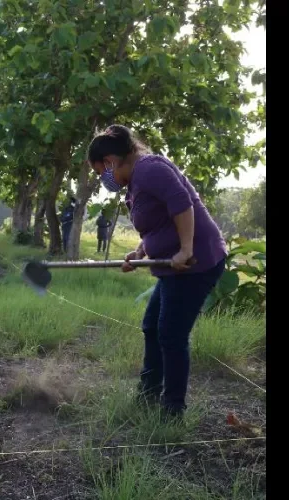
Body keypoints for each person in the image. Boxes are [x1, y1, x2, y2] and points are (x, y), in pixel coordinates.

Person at [87, 124, 227, 419]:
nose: (104, 179)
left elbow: (182, 205)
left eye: (101, 172)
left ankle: (172, 408)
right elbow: (157, 224)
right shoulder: (136, 182)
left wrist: (186, 249)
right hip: (171, 267)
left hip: (195, 263)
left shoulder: (150, 169)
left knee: (171, 334)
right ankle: (148, 392)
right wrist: (140, 252)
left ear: (111, 161)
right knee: (152, 326)